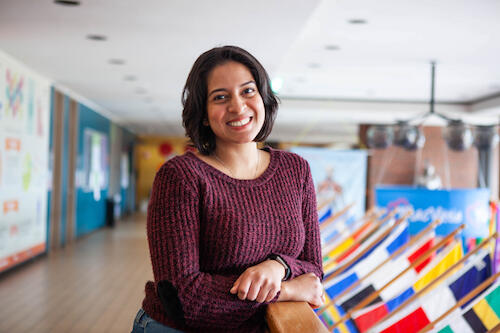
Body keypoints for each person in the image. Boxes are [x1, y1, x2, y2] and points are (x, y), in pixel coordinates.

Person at [131, 45, 324, 333]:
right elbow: (183, 295)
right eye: (220, 97)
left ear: (263, 98)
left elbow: (313, 270)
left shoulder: (295, 170)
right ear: (204, 114)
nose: (237, 106)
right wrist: (286, 290)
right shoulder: (181, 177)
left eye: (248, 91)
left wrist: (277, 267)